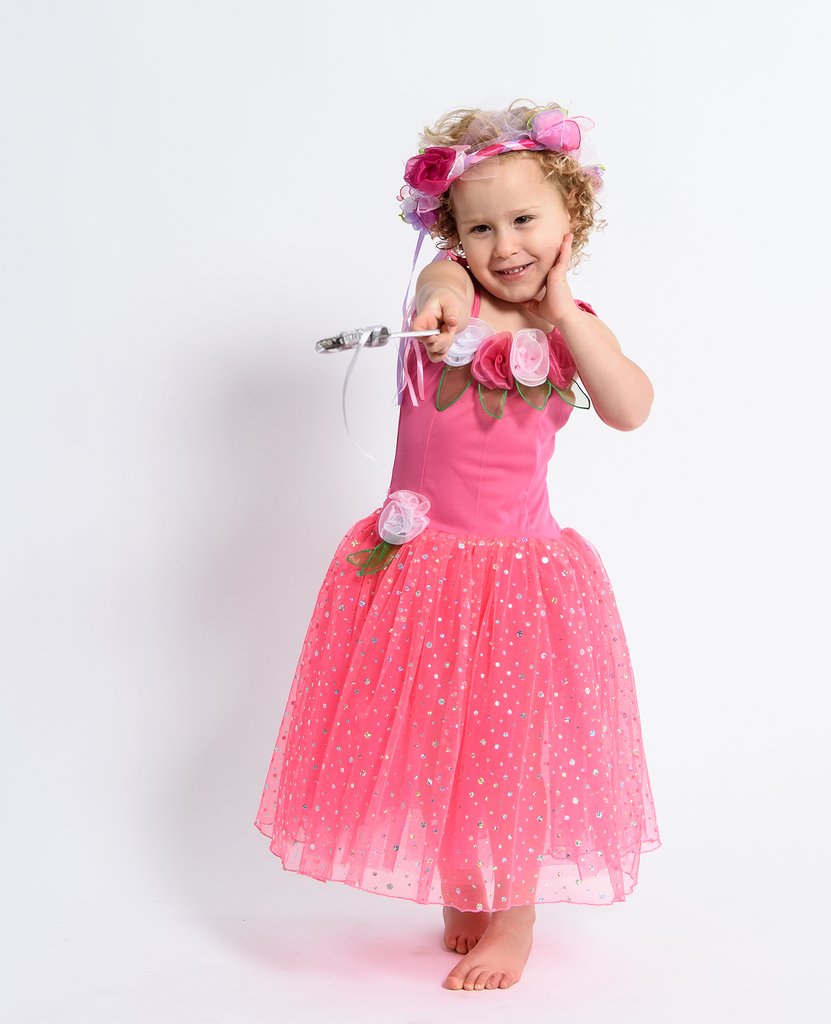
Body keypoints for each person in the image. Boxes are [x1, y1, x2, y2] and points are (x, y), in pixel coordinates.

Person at [254, 101, 661, 992]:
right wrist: (441, 300)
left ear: (571, 220)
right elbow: (435, 288)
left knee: (509, 753)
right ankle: (465, 890)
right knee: (439, 740)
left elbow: (630, 407)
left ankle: (513, 918)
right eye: (480, 228)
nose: (504, 244)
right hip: (423, 570)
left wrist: (564, 312)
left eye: (525, 220)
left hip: (519, 580)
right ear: (452, 236)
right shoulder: (451, 292)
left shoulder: (573, 328)